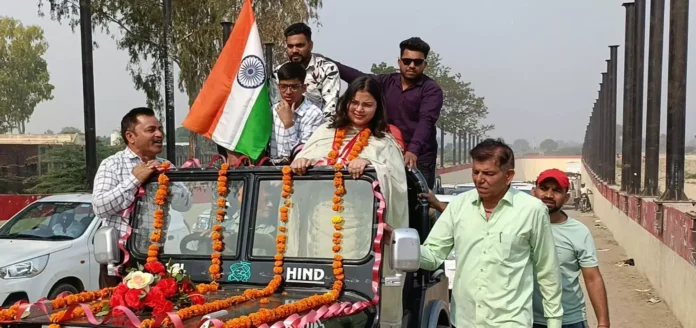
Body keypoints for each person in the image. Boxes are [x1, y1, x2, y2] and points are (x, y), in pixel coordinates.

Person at [290, 75, 408, 326]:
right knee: (317, 293)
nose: (359, 109)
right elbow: (301, 168)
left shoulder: (383, 142)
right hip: (317, 227)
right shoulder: (324, 133)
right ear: (345, 103)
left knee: (352, 298)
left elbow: (397, 186)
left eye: (367, 105)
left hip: (360, 232)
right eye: (354, 102)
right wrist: (302, 162)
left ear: (378, 108)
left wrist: (372, 165)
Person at [418, 138, 563, 328]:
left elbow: (548, 270)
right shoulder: (459, 206)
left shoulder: (532, 210)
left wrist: (554, 322)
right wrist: (396, 243)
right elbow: (433, 255)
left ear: (509, 175)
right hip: (464, 322)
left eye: (488, 173)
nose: (479, 179)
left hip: (511, 322)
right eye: (475, 172)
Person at [92, 107, 193, 288]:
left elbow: (186, 204)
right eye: (150, 130)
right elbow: (100, 208)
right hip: (120, 262)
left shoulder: (166, 166)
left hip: (155, 257)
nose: (159, 134)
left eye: (159, 129)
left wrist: (166, 182)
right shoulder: (112, 164)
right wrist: (134, 180)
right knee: (120, 314)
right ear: (130, 137)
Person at [326, 37, 443, 188]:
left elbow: (426, 121)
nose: (412, 66)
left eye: (417, 62)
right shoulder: (386, 82)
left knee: (418, 204)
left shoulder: (431, 89)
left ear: (425, 65)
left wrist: (413, 150)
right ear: (399, 62)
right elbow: (357, 77)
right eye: (407, 61)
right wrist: (327, 62)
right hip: (386, 152)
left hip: (418, 157)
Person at [532, 169, 610, 328]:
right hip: (526, 318)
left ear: (566, 197)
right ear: (534, 192)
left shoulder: (579, 232)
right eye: (544, 188)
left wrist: (603, 323)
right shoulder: (521, 227)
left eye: (556, 190)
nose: (548, 195)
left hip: (569, 319)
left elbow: (592, 278)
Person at [270, 22, 340, 119]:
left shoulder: (327, 70)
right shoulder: (278, 72)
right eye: (290, 46)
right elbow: (275, 106)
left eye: (299, 45)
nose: (294, 50)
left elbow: (330, 112)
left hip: (317, 129)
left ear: (310, 45)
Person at [269, 61, 324, 158]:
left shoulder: (314, 114)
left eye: (294, 87)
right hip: (271, 169)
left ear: (304, 88)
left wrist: (288, 124)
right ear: (278, 87)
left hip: (298, 170)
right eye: (284, 86)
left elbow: (303, 155)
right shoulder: (273, 110)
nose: (288, 92)